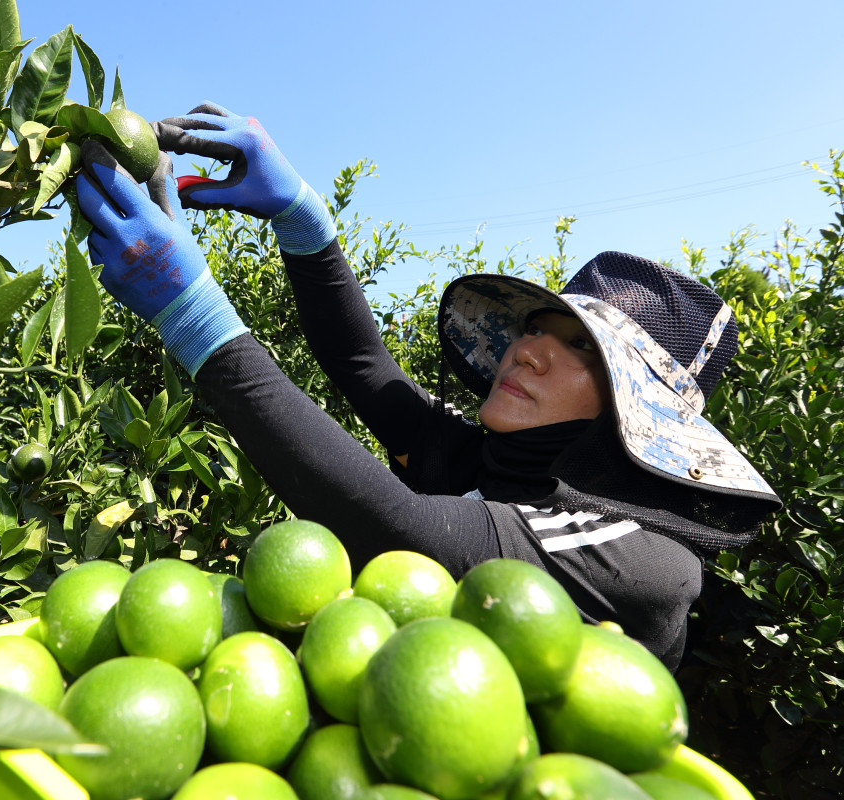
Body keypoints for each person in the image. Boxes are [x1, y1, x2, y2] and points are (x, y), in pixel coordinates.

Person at [74, 102, 781, 671]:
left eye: (582, 350)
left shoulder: (640, 558)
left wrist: (191, 314)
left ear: (637, 413)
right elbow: (365, 368)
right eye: (536, 327)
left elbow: (402, 531)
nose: (529, 350)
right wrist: (304, 223)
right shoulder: (482, 461)